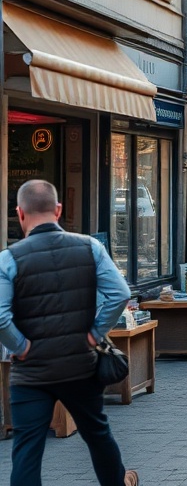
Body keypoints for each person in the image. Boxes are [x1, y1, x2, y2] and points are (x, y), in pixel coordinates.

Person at [0, 180, 139, 486]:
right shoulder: (89, 247)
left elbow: (0, 317)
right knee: (97, 434)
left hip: (31, 373)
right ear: (58, 210)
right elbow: (118, 293)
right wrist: (93, 334)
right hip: (80, 367)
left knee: (26, 450)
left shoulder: (8, 259)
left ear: (20, 214)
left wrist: (21, 347)